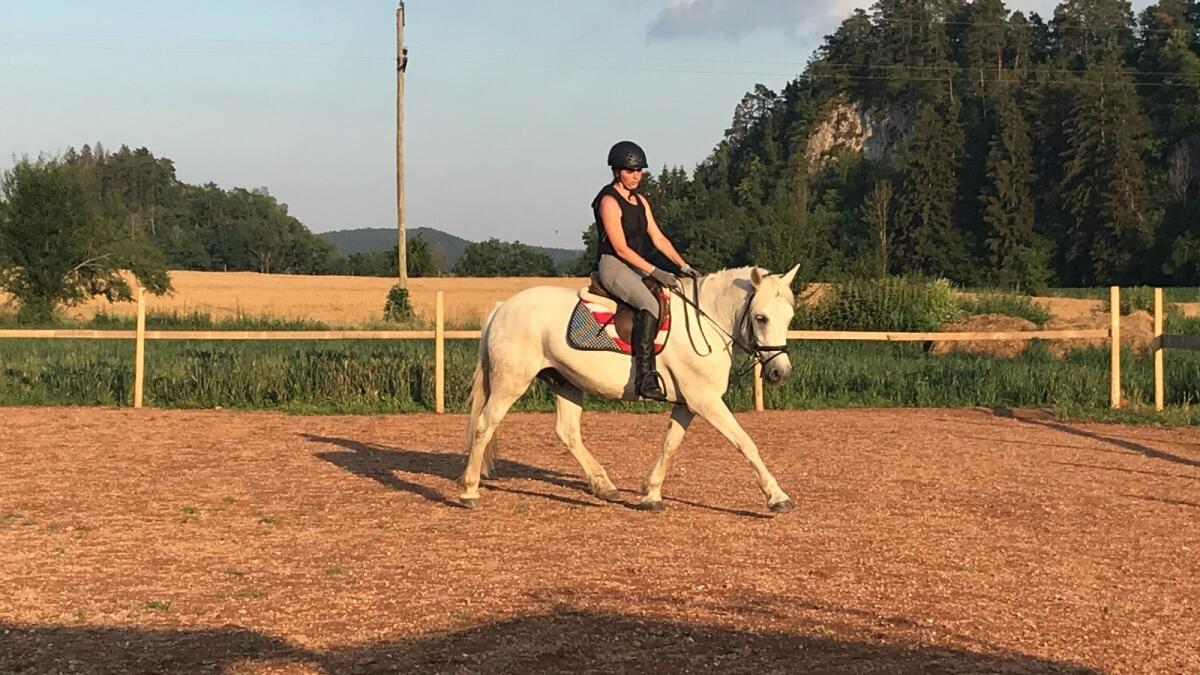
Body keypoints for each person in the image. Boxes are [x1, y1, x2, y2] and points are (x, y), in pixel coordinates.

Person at [592, 140, 702, 401]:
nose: (636, 176)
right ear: (617, 172)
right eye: (631, 171)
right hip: (614, 266)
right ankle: (644, 378)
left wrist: (683, 265)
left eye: (639, 171)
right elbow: (620, 248)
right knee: (649, 305)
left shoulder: (641, 201)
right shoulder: (608, 200)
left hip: (636, 266)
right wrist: (656, 271)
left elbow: (658, 238)